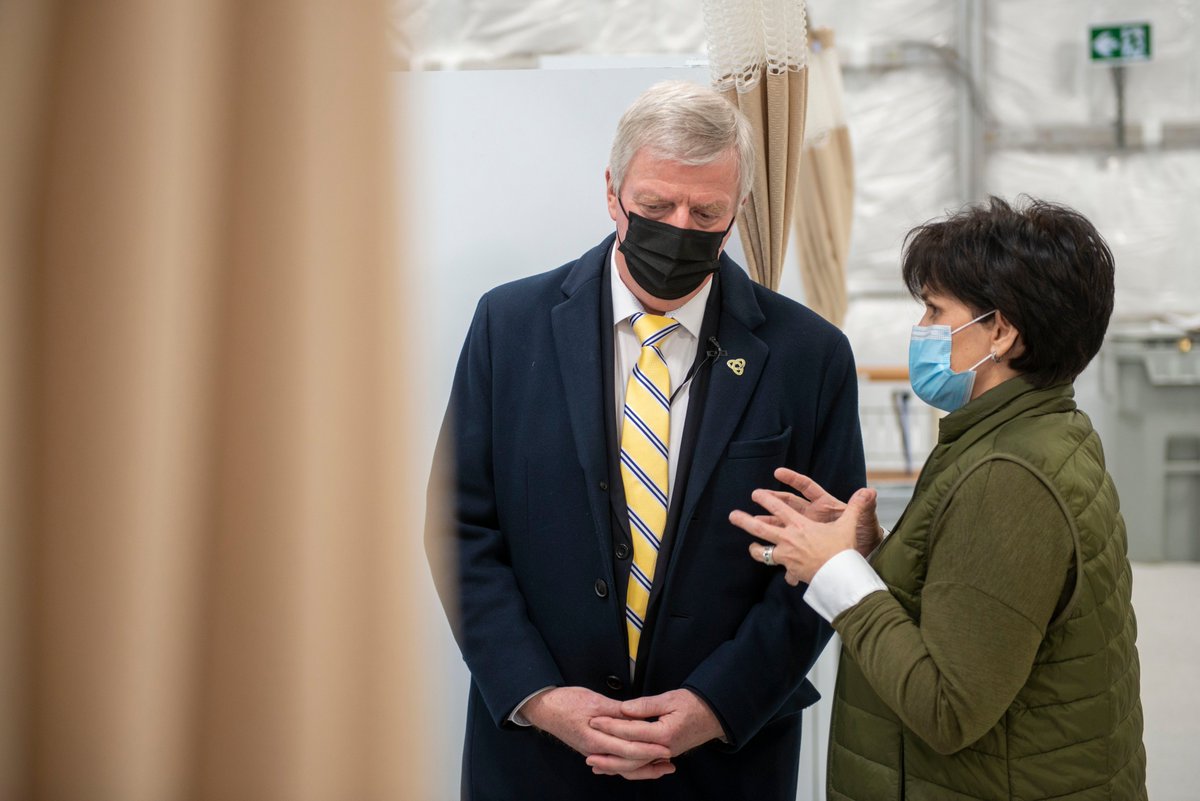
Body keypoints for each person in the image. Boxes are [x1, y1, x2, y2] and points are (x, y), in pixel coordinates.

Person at [425, 80, 866, 800]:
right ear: (612, 193)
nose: (680, 227)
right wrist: (539, 696)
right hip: (537, 760)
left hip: (725, 760)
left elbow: (823, 564)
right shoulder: (511, 327)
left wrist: (716, 703)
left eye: (707, 211)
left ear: (739, 211)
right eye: (657, 207)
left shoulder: (808, 357)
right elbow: (458, 527)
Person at [730, 196, 1148, 800]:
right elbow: (980, 602)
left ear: (1001, 331)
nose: (922, 331)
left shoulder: (1008, 477)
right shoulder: (1037, 432)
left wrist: (838, 574)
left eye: (934, 310)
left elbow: (947, 707)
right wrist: (872, 552)